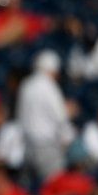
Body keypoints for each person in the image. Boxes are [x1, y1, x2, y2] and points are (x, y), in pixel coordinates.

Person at [15, 51, 75, 181]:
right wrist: (70, 138)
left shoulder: (26, 85)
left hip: (26, 145)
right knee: (53, 187)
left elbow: (19, 116)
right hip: (46, 147)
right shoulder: (49, 86)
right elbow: (60, 117)